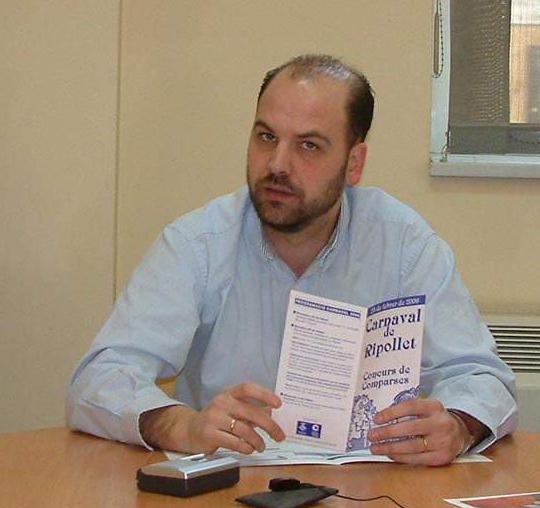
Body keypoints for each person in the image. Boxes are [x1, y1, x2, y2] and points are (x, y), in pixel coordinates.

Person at [66, 54, 517, 466]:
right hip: (229, 496)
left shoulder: (405, 247)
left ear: (354, 163)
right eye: (266, 137)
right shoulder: (197, 245)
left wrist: (458, 426)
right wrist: (181, 425)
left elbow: (483, 379)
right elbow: (98, 380)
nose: (277, 164)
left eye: (308, 146)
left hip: (371, 496)